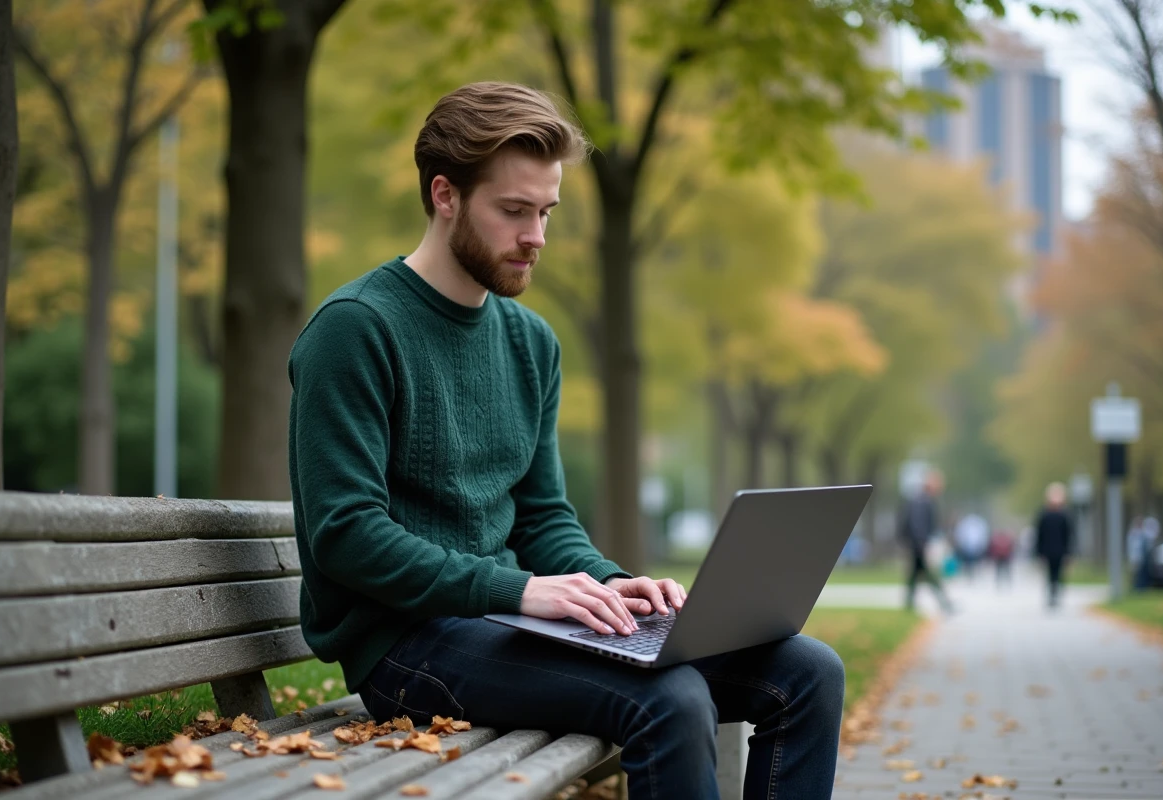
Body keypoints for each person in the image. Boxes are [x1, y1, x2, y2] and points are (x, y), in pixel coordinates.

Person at [287, 82, 845, 800]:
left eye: (546, 212)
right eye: (514, 211)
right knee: (669, 699)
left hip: (499, 623)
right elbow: (346, 535)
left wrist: (609, 583)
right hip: (406, 647)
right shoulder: (356, 329)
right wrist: (519, 589)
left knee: (808, 674)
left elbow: (542, 514)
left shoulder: (529, 342)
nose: (536, 237)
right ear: (444, 195)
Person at [898, 469, 954, 613]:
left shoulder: (920, 499)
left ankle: (909, 603)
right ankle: (944, 603)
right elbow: (918, 524)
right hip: (919, 544)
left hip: (917, 544)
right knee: (926, 574)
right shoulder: (923, 501)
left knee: (916, 575)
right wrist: (922, 543)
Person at [1033, 482, 1073, 608]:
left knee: (1058, 574)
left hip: (1059, 550)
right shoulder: (1044, 515)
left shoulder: (1064, 516)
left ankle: (1055, 594)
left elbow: (1068, 536)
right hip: (1049, 550)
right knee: (1051, 574)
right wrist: (1039, 552)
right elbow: (1039, 535)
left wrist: (1068, 552)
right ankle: (1052, 594)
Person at [953, 511, 990, 580]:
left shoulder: (974, 524)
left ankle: (972, 573)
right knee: (971, 562)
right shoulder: (971, 524)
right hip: (970, 547)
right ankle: (971, 574)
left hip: (973, 546)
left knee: (972, 562)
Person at [1127, 516, 1159, 591]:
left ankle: (1141, 587)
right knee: (1136, 575)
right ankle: (1137, 588)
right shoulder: (1133, 534)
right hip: (1136, 558)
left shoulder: (1143, 534)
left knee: (1141, 575)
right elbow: (1133, 548)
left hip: (1142, 559)